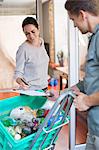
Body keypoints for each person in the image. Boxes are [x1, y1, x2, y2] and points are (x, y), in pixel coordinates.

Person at [65, 0, 99, 149]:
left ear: (82, 14)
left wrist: (87, 101)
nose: (74, 25)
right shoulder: (94, 38)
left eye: (73, 20)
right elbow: (93, 78)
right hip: (94, 128)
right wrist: (68, 92)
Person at [14, 17, 49, 91]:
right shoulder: (23, 49)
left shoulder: (42, 42)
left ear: (38, 29)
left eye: (33, 32)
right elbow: (18, 74)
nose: (31, 36)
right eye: (27, 34)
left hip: (44, 89)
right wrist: (21, 83)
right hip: (30, 91)